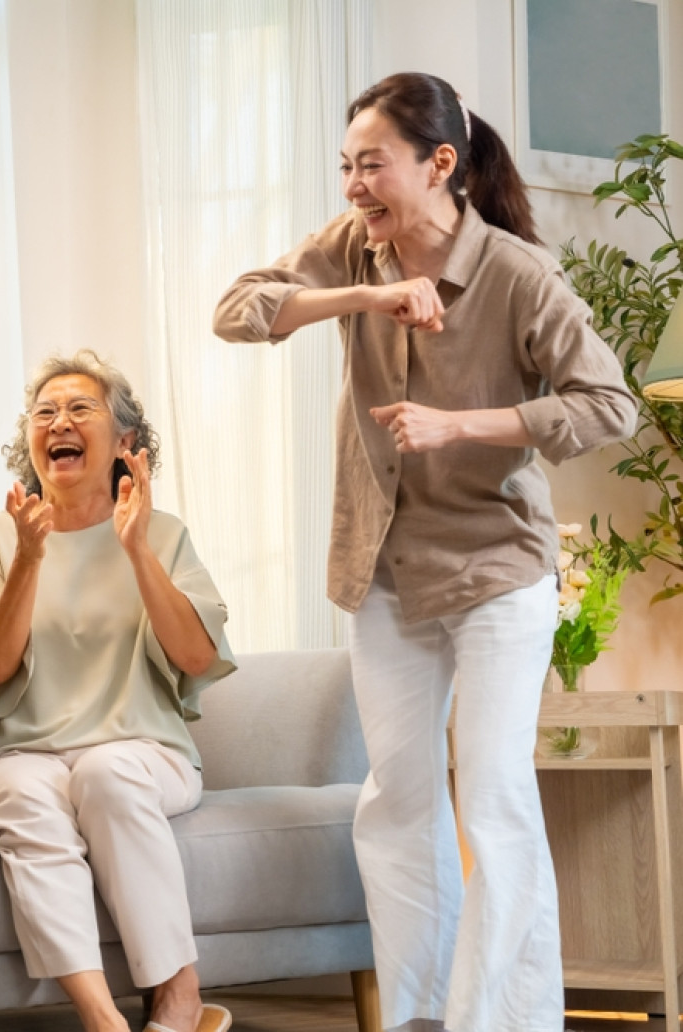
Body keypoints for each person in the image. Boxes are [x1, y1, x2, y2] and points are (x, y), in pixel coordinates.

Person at [214, 72, 637, 1032]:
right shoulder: (349, 249)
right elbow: (237, 310)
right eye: (347, 165)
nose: (356, 184)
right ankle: (416, 1018)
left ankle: (504, 1020)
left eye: (374, 165)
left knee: (490, 795)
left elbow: (606, 405)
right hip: (386, 575)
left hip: (496, 574)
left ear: (440, 163)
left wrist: (463, 428)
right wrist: (369, 289)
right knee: (397, 800)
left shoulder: (519, 275)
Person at [0, 351, 237, 1032]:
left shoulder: (163, 534)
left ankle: (177, 995)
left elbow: (197, 655)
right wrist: (29, 557)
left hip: (143, 749)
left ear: (124, 443)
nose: (59, 421)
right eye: (44, 411)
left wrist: (136, 548)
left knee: (107, 772)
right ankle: (103, 1020)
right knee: (25, 793)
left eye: (80, 408)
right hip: (18, 752)